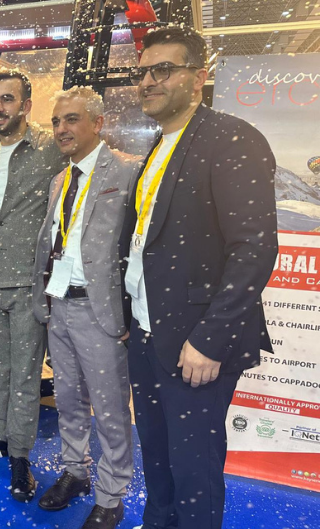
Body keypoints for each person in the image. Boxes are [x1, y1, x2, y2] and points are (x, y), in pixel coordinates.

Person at [121, 27, 278, 529]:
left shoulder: (232, 138)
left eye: (163, 70)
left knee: (194, 471)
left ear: (198, 77)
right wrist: (129, 316)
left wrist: (210, 339)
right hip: (147, 334)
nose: (148, 81)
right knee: (156, 454)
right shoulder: (160, 145)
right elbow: (146, 241)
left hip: (196, 343)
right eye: (143, 72)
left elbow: (254, 248)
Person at [31, 86, 140, 529]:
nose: (62, 129)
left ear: (98, 123)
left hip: (102, 312)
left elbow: (141, 246)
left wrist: (131, 311)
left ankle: (111, 496)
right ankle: (75, 472)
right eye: (57, 121)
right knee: (69, 400)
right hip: (59, 304)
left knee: (110, 408)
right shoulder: (60, 180)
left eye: (72, 119)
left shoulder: (128, 171)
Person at [0, 69, 63, 500]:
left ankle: (20, 456)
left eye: (8, 99)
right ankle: (0, 433)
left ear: (26, 105)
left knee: (24, 374)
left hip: (27, 283)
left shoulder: (50, 149)